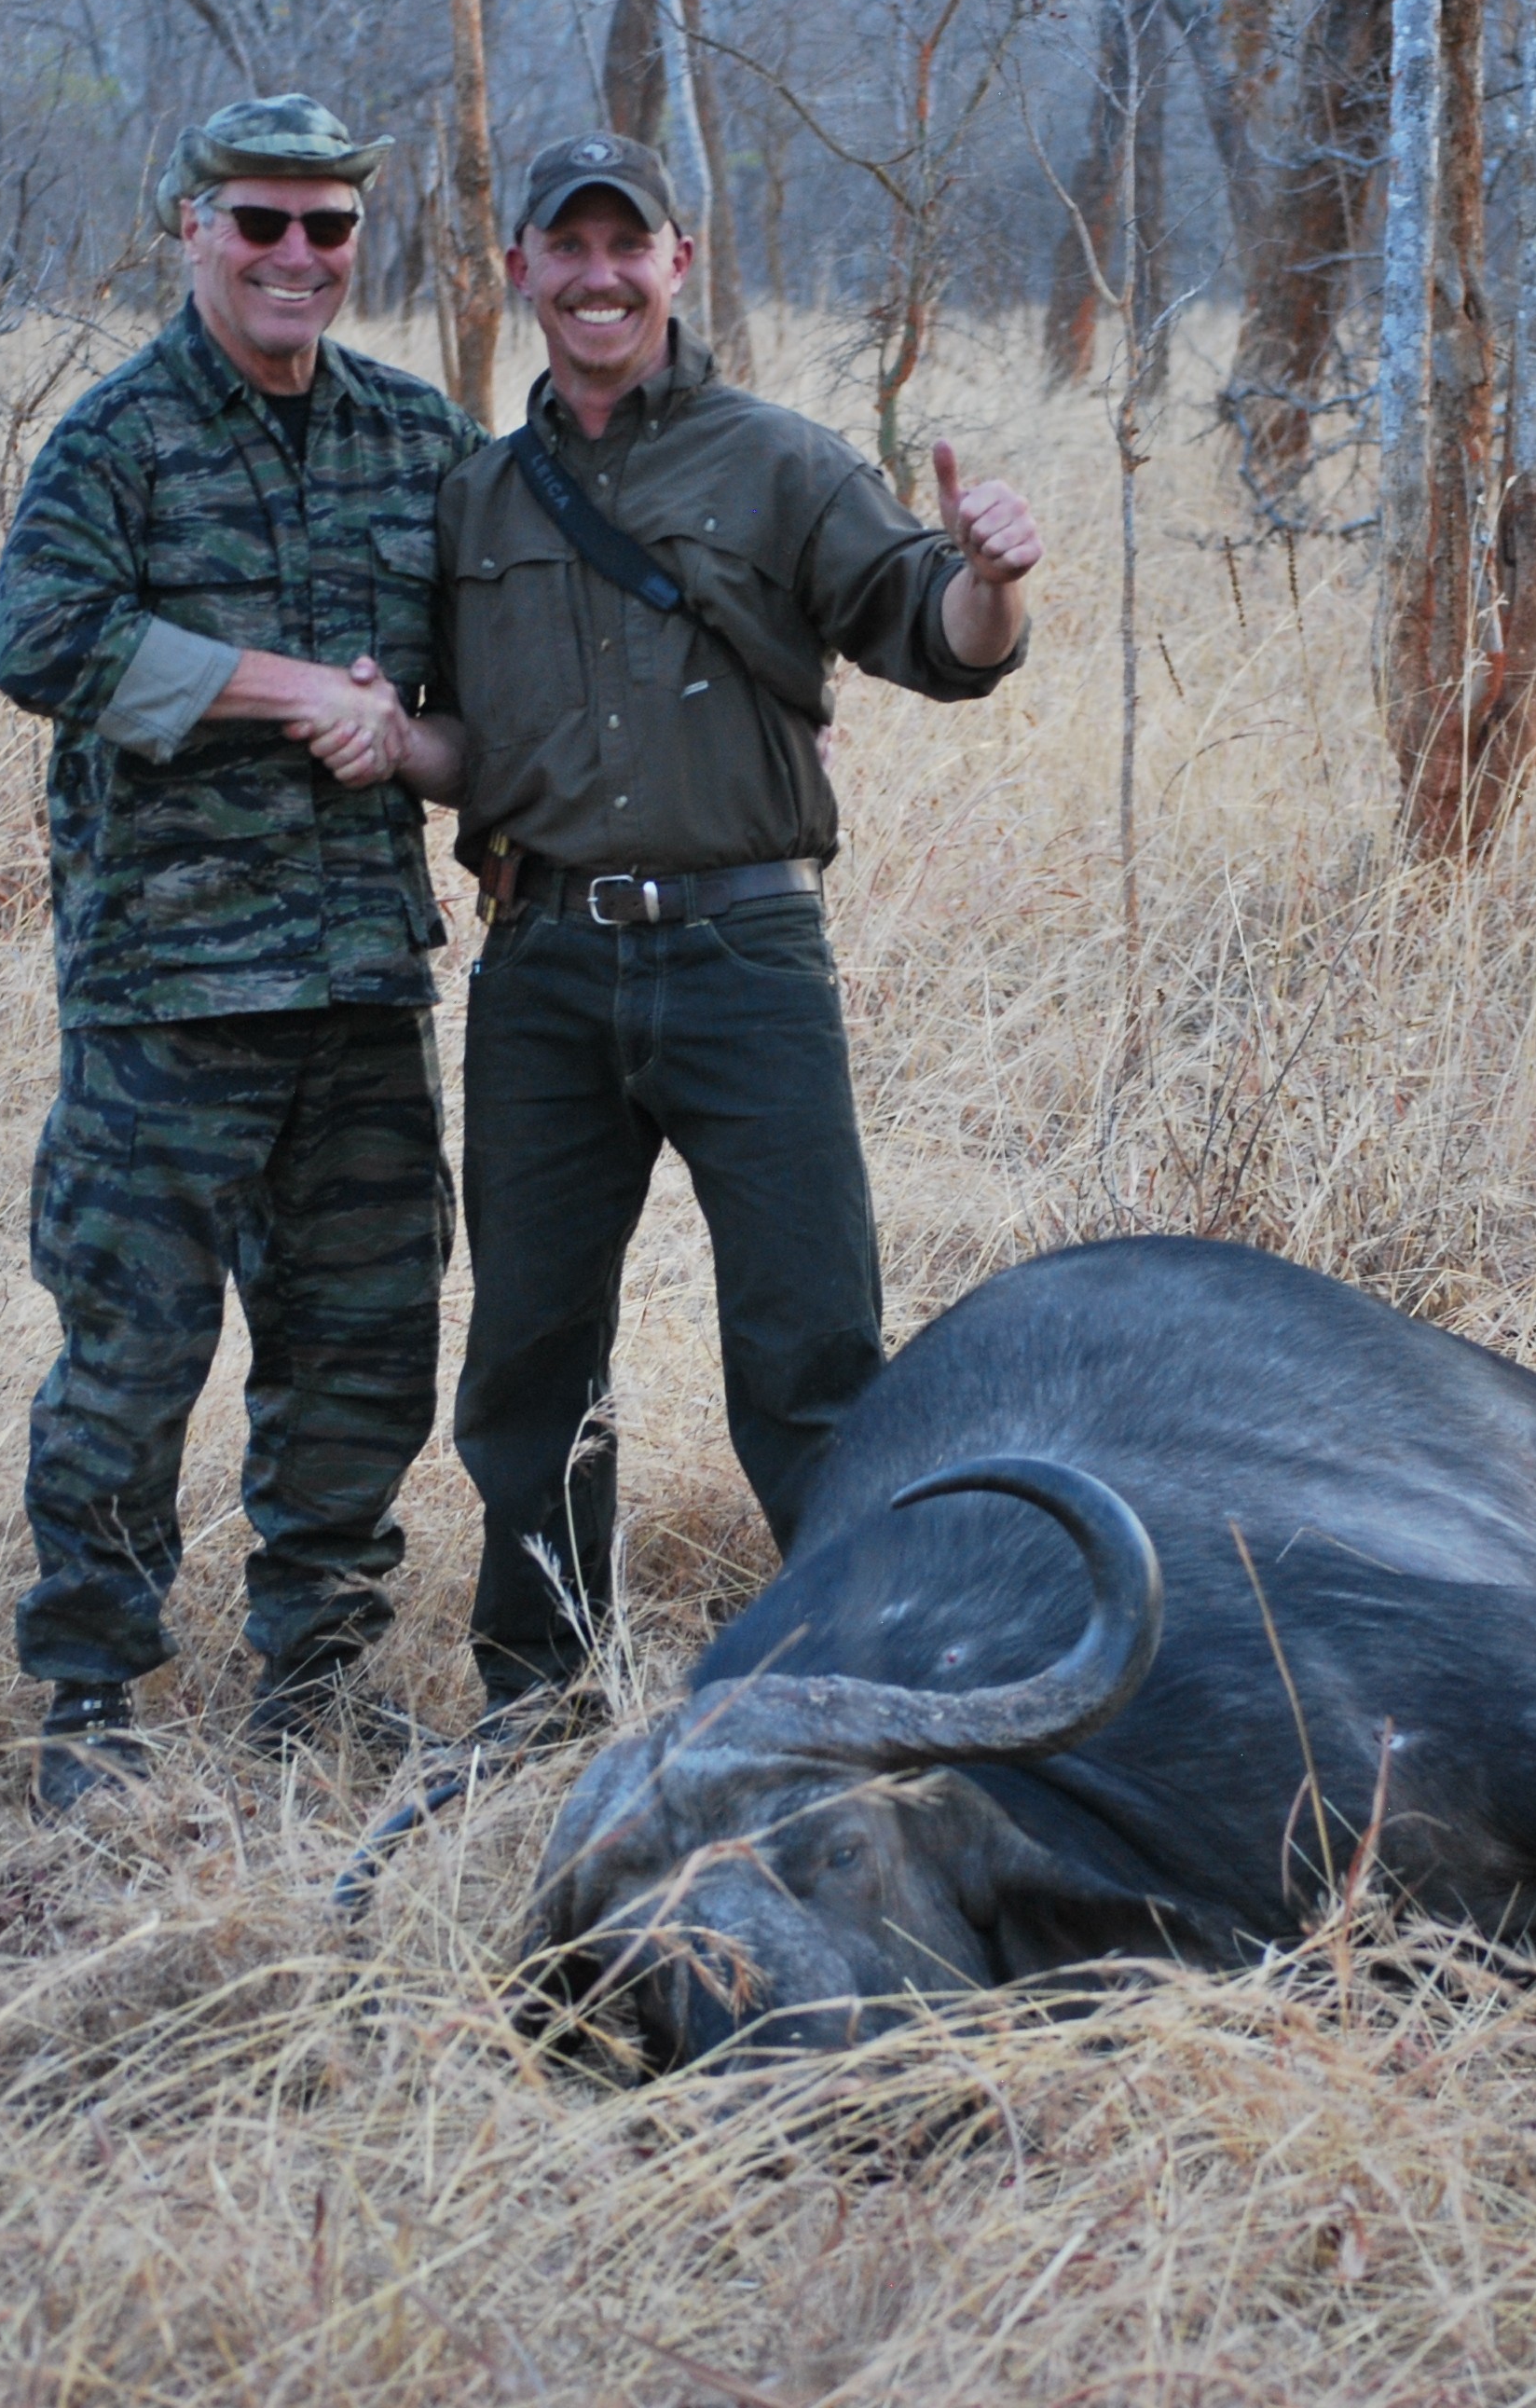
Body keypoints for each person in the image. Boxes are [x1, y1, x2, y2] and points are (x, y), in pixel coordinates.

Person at [393, 132, 1047, 1732]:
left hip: (746, 961)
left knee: (811, 1352)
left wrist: (994, 581)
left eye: (633, 246)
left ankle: (870, 1683)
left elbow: (937, 637)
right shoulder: (475, 494)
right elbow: (460, 736)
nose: (601, 275)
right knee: (532, 1359)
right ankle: (539, 1698)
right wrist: (352, 726)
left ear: (679, 263)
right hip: (540, 966)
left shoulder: (778, 458)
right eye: (571, 247)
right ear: (520, 272)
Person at [0, 95, 479, 1818]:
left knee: (363, 1344)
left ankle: (318, 1685)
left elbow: (497, 673)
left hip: (359, 983)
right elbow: (44, 639)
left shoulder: (420, 439)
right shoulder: (118, 439)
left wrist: (411, 734)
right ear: (189, 226)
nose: (294, 258)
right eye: (259, 222)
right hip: (168, 990)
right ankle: (89, 1703)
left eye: (327, 228)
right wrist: (304, 694)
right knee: (131, 1353)